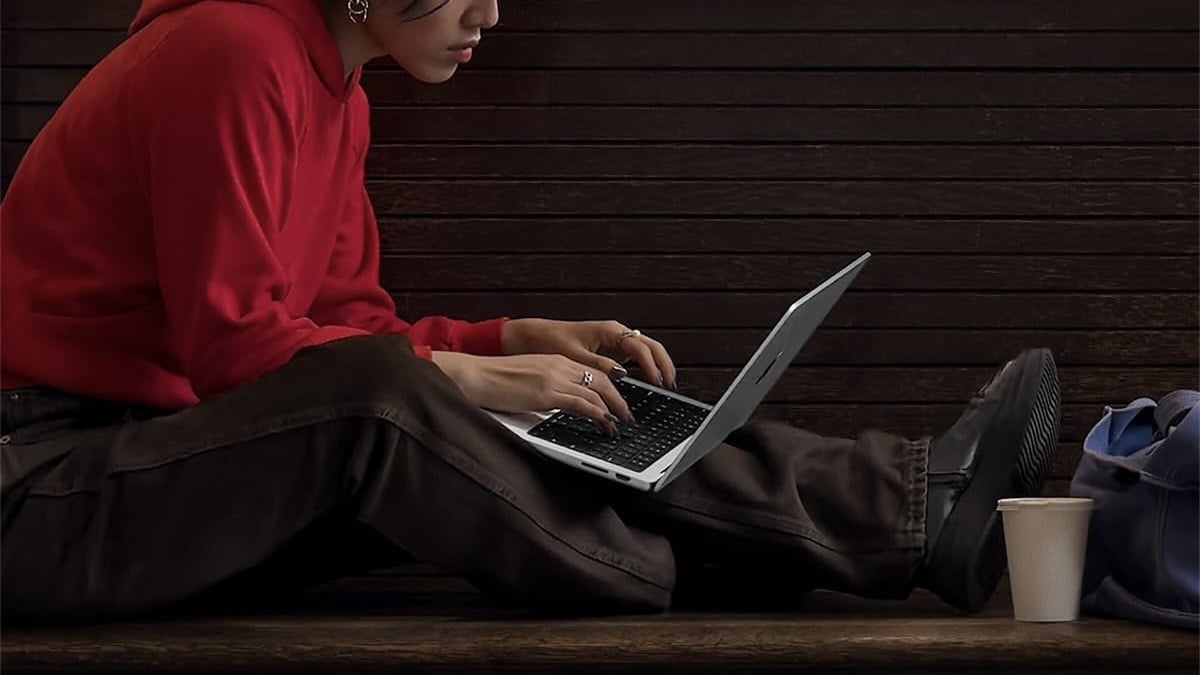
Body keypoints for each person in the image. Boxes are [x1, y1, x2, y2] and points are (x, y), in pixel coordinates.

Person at [0, 0, 1062, 625]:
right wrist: (464, 376)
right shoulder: (231, 52)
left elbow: (340, 332)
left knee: (558, 402)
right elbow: (245, 354)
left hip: (169, 461)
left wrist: (508, 344)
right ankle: (667, 565)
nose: (491, 14)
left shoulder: (339, 93)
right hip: (46, 489)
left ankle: (918, 502)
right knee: (393, 401)